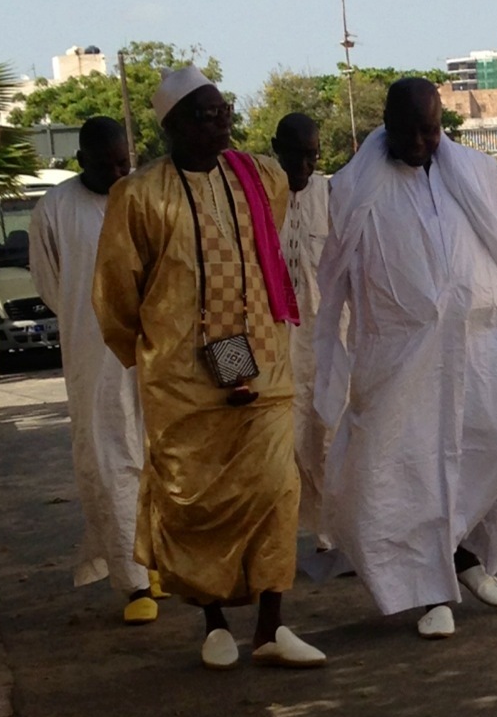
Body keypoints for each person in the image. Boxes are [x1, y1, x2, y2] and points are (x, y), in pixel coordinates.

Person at [93, 66, 326, 669]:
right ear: (171, 127)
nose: (221, 120)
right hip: (184, 382)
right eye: (205, 114)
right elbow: (117, 296)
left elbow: (266, 249)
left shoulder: (261, 177)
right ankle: (214, 621)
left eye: (224, 109)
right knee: (194, 504)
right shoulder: (138, 196)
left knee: (279, 488)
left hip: (264, 363)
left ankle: (272, 625)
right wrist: (155, 357)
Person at [314, 77, 497, 639]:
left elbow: (494, 250)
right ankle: (430, 591)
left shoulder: (476, 171)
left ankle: (463, 558)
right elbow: (334, 276)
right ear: (386, 123)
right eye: (408, 130)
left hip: (477, 349)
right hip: (397, 357)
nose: (419, 142)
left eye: (429, 130)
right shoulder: (355, 188)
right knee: (408, 472)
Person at [29, 116, 162, 626]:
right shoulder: (54, 209)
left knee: (159, 457)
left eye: (123, 161)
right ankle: (134, 583)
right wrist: (92, 321)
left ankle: (162, 562)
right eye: (106, 163)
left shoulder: (144, 199)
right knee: (110, 462)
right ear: (80, 159)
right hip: (92, 355)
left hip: (153, 350)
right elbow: (50, 283)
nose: (116, 170)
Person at [272, 113, 333, 546]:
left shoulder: (332, 194)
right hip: (275, 341)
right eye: (297, 156)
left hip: (327, 337)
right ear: (277, 150)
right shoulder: (255, 197)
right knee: (283, 439)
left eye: (312, 157)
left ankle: (334, 527)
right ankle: (290, 529)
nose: (305, 166)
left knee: (328, 433)